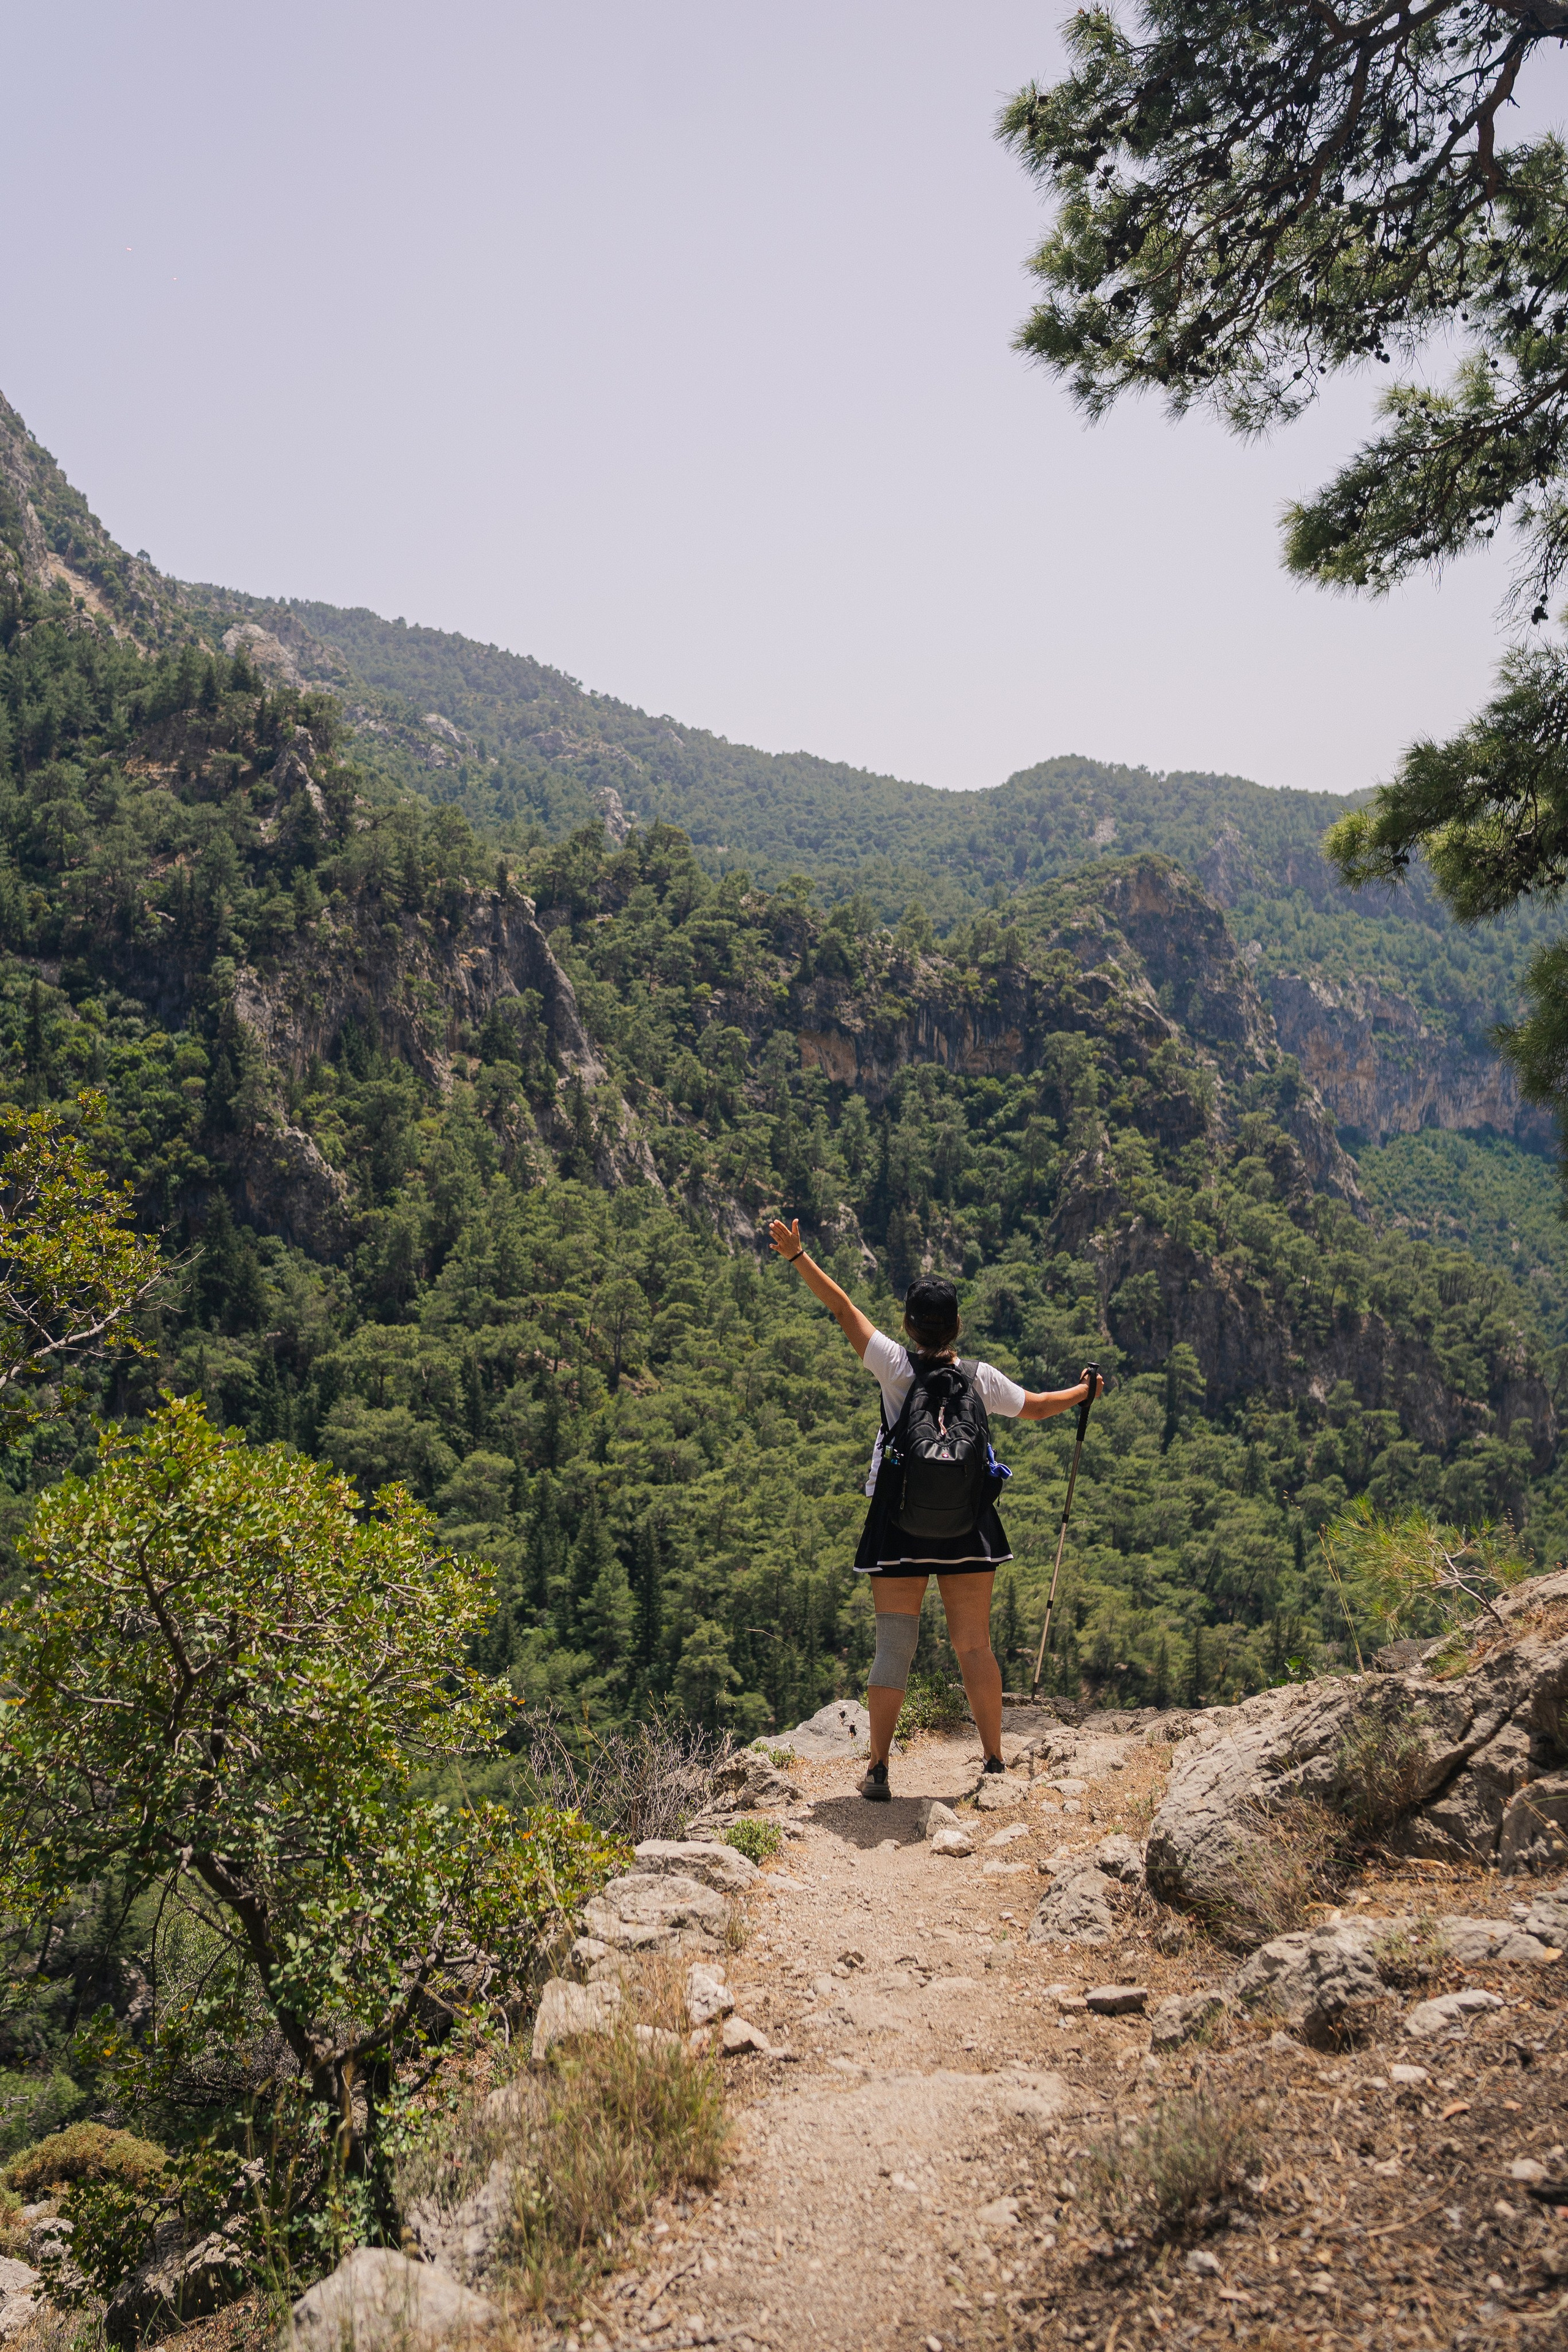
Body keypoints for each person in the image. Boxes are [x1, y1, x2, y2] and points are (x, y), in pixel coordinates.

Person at [769, 1216, 1099, 1801]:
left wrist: (799, 1257)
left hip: (897, 1527)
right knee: (974, 1645)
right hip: (968, 1528)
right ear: (957, 1326)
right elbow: (1042, 1407)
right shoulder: (980, 1379)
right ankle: (994, 1761)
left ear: (907, 1326)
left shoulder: (895, 1368)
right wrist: (1085, 1393)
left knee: (894, 1646)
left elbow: (844, 1308)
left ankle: (877, 1769)